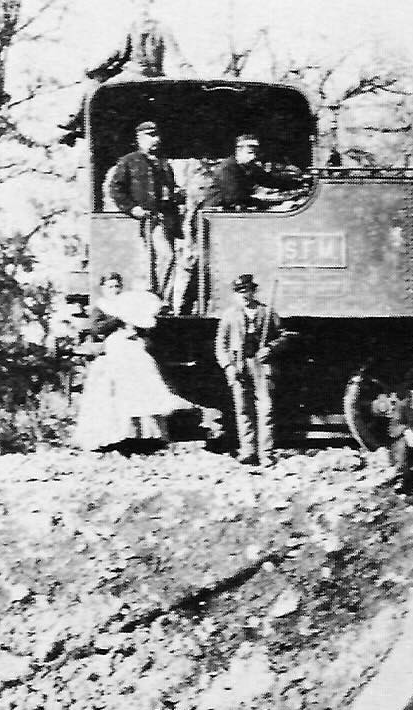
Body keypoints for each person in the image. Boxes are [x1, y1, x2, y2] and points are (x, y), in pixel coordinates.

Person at [72, 290, 210, 452]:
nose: (114, 289)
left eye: (117, 286)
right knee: (113, 399)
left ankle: (141, 436)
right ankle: (115, 437)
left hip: (128, 361)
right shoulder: (108, 317)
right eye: (110, 286)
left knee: (139, 394)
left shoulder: (133, 330)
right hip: (114, 366)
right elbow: (99, 331)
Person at [57, 0, 191, 143]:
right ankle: (79, 122)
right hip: (135, 72)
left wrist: (191, 77)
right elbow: (120, 54)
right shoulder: (134, 27)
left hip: (144, 74)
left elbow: (178, 58)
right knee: (95, 85)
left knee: (98, 88)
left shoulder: (158, 28)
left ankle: (79, 123)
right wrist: (97, 67)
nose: (143, 9)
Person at [214, 274, 292, 464]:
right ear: (235, 295)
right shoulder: (229, 316)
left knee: (266, 409)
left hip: (261, 365)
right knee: (243, 409)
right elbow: (220, 345)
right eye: (240, 292)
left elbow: (284, 336)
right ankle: (248, 451)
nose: (244, 295)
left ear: (253, 291)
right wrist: (228, 366)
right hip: (239, 366)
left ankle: (266, 453)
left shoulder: (267, 313)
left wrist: (271, 348)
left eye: (247, 291)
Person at [107, 121, 183, 299]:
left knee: (168, 258)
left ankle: (160, 298)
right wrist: (132, 208)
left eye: (156, 135)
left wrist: (176, 196)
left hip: (161, 220)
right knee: (153, 262)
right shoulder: (129, 162)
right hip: (140, 221)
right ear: (139, 139)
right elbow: (115, 189)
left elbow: (169, 192)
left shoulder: (164, 165)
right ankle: (152, 297)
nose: (155, 140)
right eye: (150, 136)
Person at [198, 134, 308, 212]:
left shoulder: (248, 166)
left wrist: (299, 184)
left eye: (256, 153)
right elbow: (235, 197)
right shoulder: (227, 168)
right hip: (216, 213)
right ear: (239, 151)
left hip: (232, 210)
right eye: (250, 152)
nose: (254, 157)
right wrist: (271, 203)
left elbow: (270, 180)